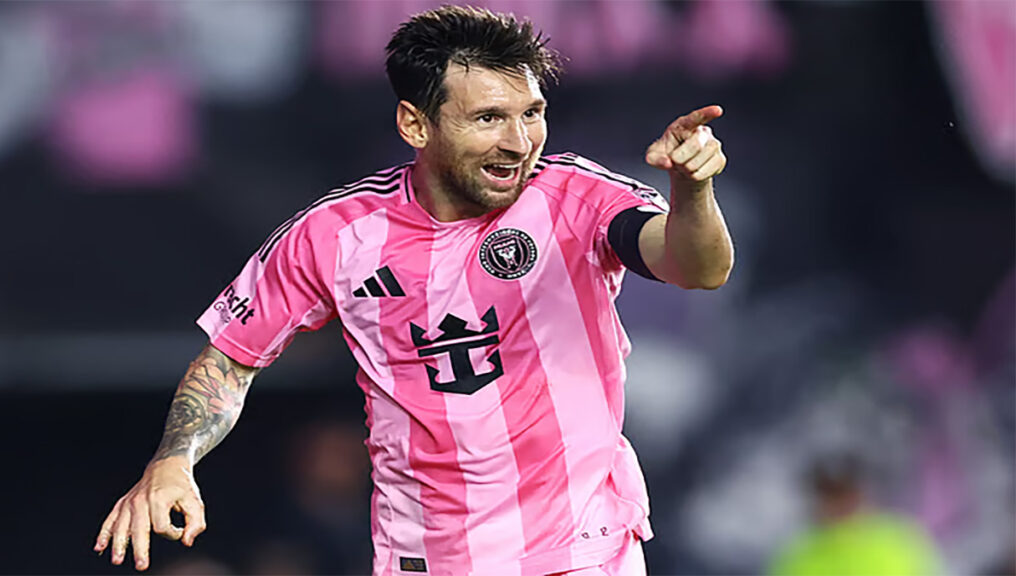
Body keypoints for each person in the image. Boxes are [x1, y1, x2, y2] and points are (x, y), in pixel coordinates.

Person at [93, 6, 733, 574]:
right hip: (426, 558)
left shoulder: (577, 197)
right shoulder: (335, 234)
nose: (518, 142)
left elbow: (696, 266)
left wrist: (693, 192)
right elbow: (231, 359)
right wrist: (174, 460)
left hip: (584, 552)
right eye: (488, 118)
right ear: (415, 124)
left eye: (531, 114)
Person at [768, 454, 943, 576]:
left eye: (844, 491)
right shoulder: (796, 557)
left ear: (859, 491)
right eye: (830, 493)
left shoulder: (900, 540)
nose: (838, 502)